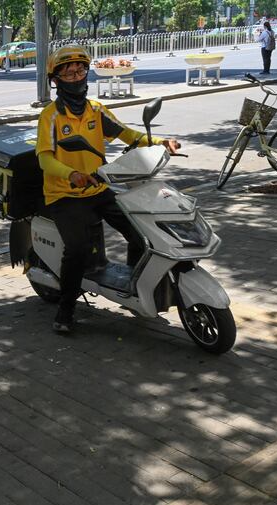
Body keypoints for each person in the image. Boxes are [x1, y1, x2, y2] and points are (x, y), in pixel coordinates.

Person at [36, 45, 180, 333]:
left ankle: (135, 290)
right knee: (76, 250)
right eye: (69, 73)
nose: (76, 77)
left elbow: (127, 134)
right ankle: (65, 311)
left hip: (98, 189)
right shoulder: (51, 116)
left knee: (142, 233)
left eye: (80, 71)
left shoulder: (96, 110)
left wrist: (161, 142)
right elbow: (45, 158)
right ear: (56, 80)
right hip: (65, 195)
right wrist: (72, 174)